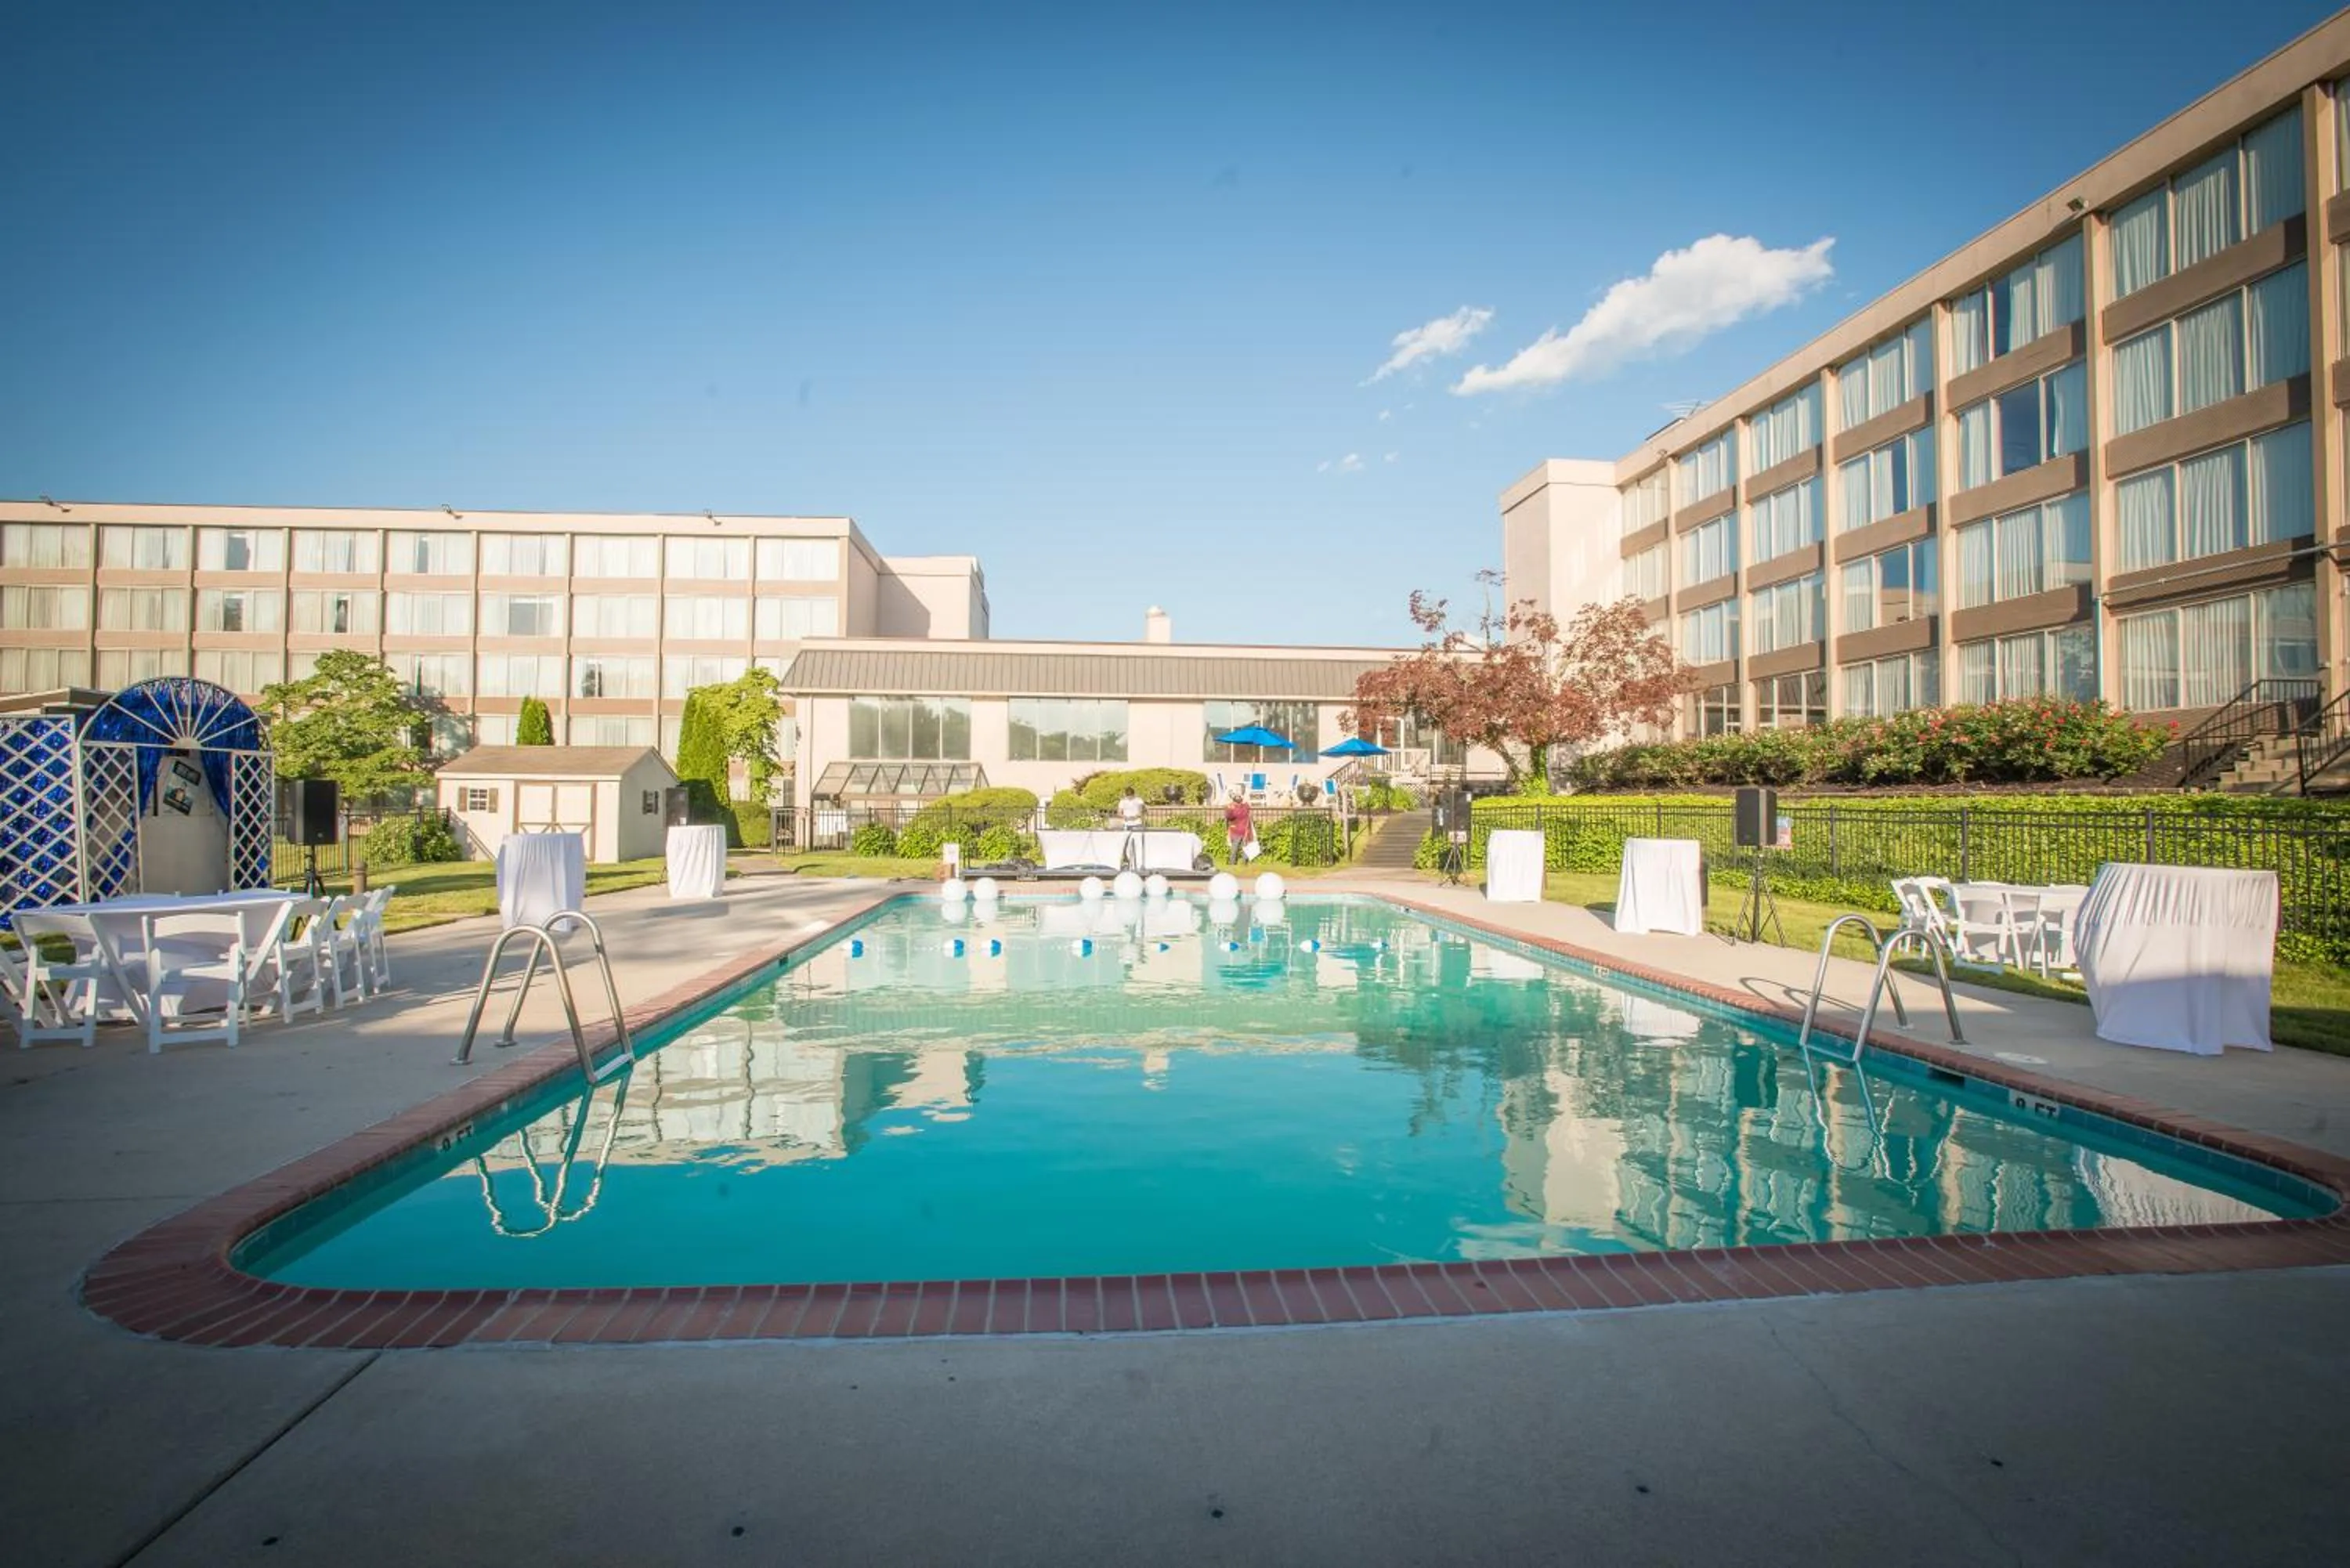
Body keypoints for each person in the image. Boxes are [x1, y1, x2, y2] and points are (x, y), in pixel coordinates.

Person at [1224, 788, 1253, 864]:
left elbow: (1228, 817)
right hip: (1242, 830)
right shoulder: (1245, 807)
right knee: (1244, 847)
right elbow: (1247, 804)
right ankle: (1244, 863)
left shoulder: (1231, 807)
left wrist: (1229, 808)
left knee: (1235, 848)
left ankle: (1233, 862)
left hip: (1237, 830)